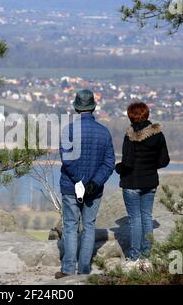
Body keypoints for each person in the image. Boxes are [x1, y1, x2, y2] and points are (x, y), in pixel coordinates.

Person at [56, 89, 115, 279]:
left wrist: (80, 181)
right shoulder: (104, 132)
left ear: (76, 107)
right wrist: (94, 182)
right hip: (94, 190)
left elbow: (67, 159)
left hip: (71, 186)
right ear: (93, 107)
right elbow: (109, 162)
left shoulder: (69, 130)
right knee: (89, 226)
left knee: (71, 226)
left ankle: (67, 269)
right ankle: (84, 270)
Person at [115, 102, 170, 270]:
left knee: (135, 220)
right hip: (150, 182)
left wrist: (118, 168)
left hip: (131, 183)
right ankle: (147, 256)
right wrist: (150, 167)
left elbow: (128, 163)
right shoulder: (158, 135)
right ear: (147, 115)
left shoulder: (130, 136)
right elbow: (164, 161)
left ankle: (134, 257)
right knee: (147, 217)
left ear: (130, 116)